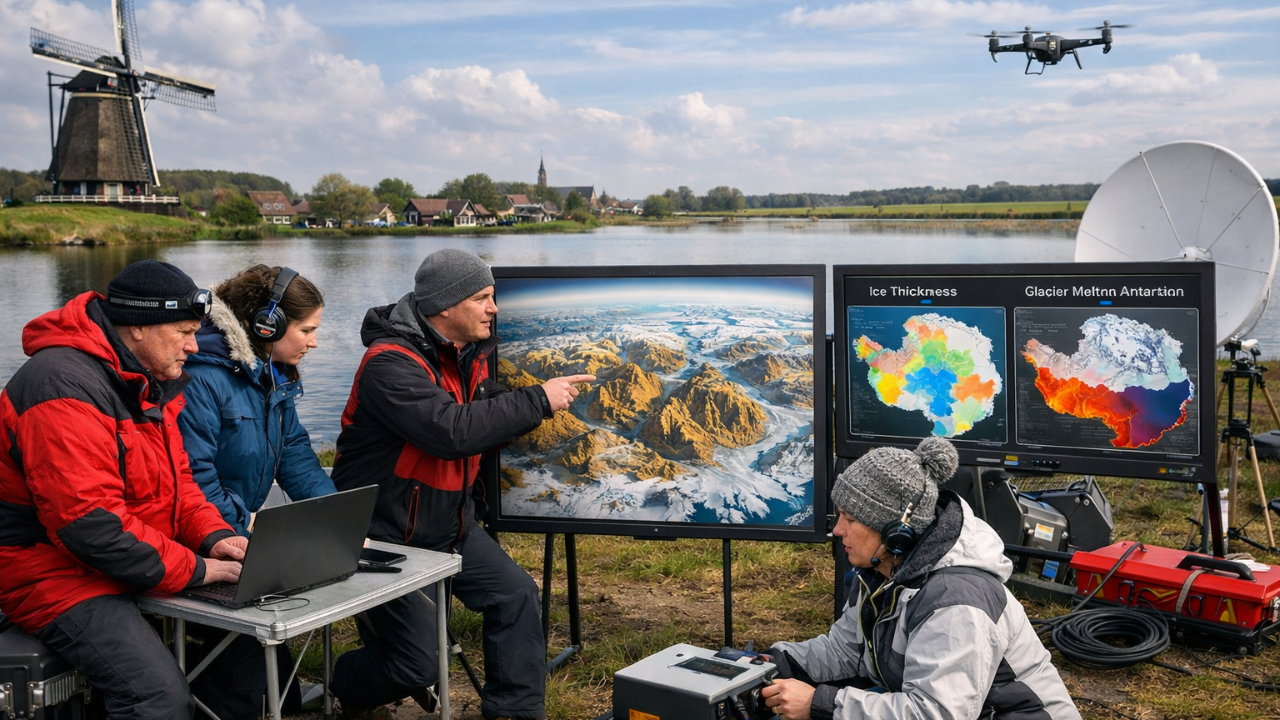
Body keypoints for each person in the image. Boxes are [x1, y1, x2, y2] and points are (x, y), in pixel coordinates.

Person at [330, 248, 594, 720]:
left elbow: (480, 417)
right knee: (417, 664)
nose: (494, 308)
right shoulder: (388, 364)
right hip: (385, 538)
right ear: (446, 306)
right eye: (483, 298)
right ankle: (345, 680)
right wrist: (538, 399)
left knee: (515, 595)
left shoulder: (466, 354)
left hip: (451, 526)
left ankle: (513, 714)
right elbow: (450, 431)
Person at [0, 260, 246, 720]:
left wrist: (215, 537)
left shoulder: (151, 380)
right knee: (155, 698)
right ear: (137, 328)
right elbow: (89, 525)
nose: (194, 346)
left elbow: (180, 488)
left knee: (244, 650)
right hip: (52, 574)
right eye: (184, 332)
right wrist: (197, 569)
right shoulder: (61, 385)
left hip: (130, 558)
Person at [761, 437, 1081, 720]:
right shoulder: (881, 570)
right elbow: (846, 650)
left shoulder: (955, 600)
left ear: (896, 531)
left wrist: (820, 704)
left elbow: (936, 713)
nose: (838, 530)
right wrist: (774, 663)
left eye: (851, 519)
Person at [177, 264, 336, 717]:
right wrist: (245, 524)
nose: (314, 341)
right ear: (269, 324)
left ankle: (279, 698)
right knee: (242, 671)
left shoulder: (271, 373)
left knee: (280, 690)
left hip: (237, 533)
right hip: (202, 538)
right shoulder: (202, 378)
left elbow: (296, 454)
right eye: (307, 329)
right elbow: (194, 477)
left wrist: (333, 515)